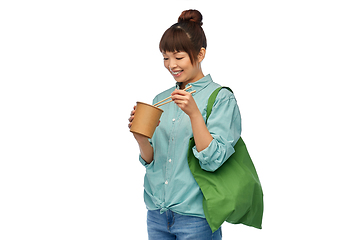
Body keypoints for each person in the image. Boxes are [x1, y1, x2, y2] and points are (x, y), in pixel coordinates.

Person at [128, 9, 241, 240]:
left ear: (200, 54)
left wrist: (195, 114)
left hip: (196, 218)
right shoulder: (161, 99)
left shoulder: (220, 98)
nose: (171, 65)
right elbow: (153, 161)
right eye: (165, 57)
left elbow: (214, 161)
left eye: (178, 57)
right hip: (157, 214)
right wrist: (140, 138)